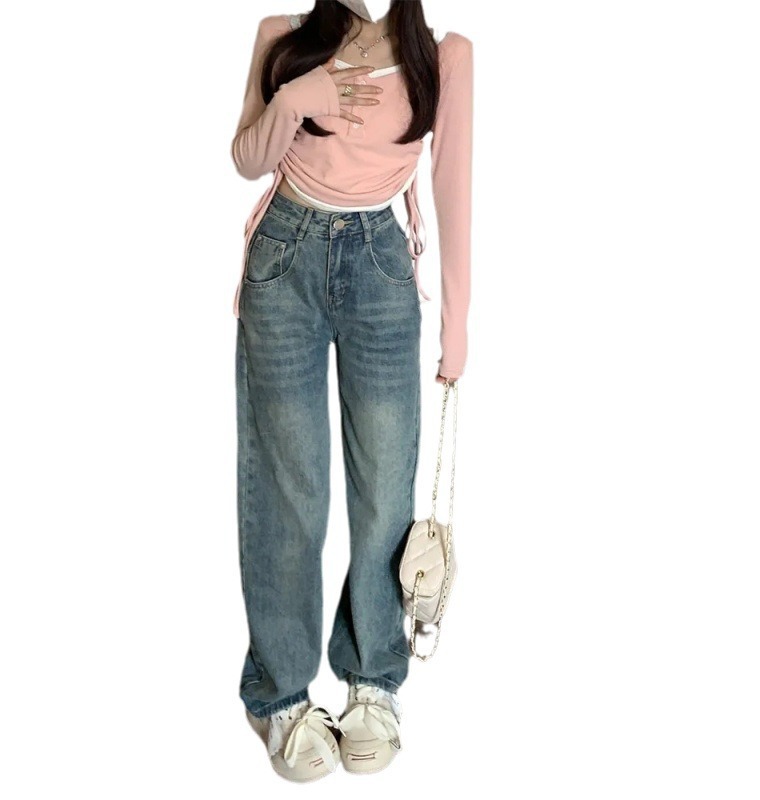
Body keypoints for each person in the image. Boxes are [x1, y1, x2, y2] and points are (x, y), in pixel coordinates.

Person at [229, 0, 472, 781]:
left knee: (384, 495)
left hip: (381, 269)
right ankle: (279, 696)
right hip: (285, 260)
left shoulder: (443, 55)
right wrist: (290, 101)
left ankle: (372, 683)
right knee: (289, 490)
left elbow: (453, 187)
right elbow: (246, 158)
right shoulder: (282, 38)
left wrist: (458, 323)